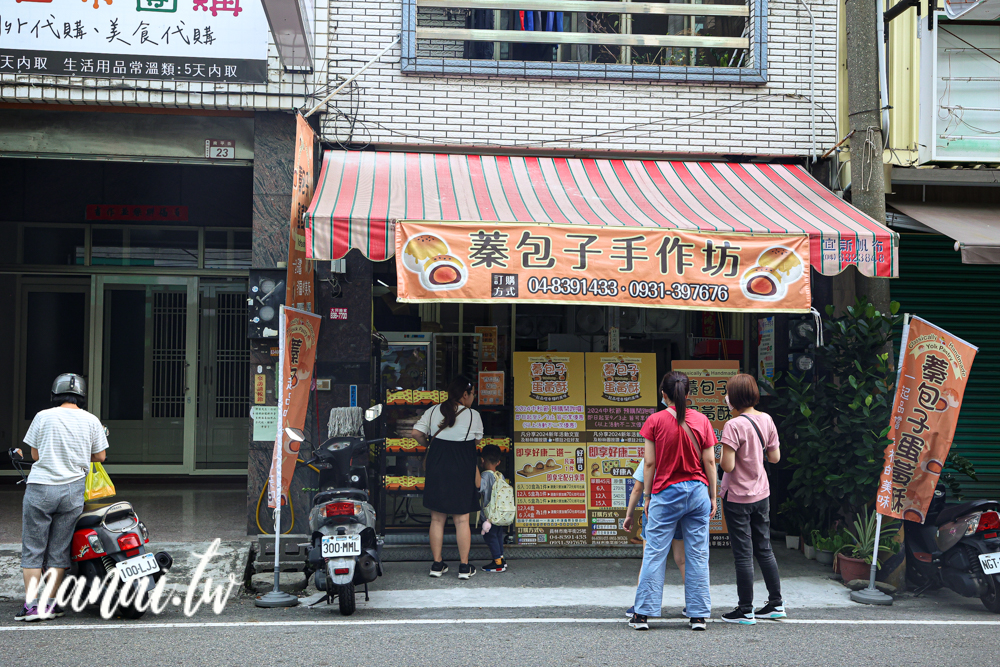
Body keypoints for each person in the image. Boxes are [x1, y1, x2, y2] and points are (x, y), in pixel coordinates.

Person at [15, 373, 109, 622]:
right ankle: (50, 604)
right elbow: (100, 456)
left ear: (55, 395)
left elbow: (35, 455)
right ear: (82, 397)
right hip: (72, 492)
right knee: (59, 551)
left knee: (33, 549)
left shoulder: (43, 416)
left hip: (41, 488)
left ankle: (33, 606)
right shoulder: (91, 420)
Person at [630, 371, 718, 632]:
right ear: (688, 394)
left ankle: (643, 614)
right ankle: (698, 615)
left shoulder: (654, 421)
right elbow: (710, 462)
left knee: (655, 553)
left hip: (666, 492)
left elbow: (649, 463)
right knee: (698, 553)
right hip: (698, 492)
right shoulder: (702, 421)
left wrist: (646, 497)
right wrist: (713, 496)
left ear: (663, 394)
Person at [719, 373, 785, 624]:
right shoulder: (766, 419)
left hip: (737, 498)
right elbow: (775, 457)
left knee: (743, 554)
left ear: (734, 398)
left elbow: (727, 465)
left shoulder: (733, 426)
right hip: (762, 495)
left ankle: (745, 609)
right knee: (764, 548)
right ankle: (775, 603)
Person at [412, 375, 484, 580]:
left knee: (437, 518)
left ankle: (437, 564)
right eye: (473, 393)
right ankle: (464, 567)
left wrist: (430, 446)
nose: (474, 397)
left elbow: (415, 432)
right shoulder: (473, 416)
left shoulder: (434, 410)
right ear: (465, 394)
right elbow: (477, 441)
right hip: (462, 468)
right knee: (462, 520)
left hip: (438, 467)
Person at [623, 463, 685, 618]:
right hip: (682, 508)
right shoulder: (685, 452)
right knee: (682, 559)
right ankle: (694, 604)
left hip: (656, 509)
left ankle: (642, 606)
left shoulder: (652, 456)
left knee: (650, 558)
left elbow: (638, 488)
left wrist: (629, 515)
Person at [477, 444, 507, 573]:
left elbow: (479, 487)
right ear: (498, 462)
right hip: (499, 514)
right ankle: (501, 559)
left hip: (489, 516)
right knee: (498, 536)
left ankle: (497, 563)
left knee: (490, 537)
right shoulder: (500, 476)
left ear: (482, 460)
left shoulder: (486, 476)